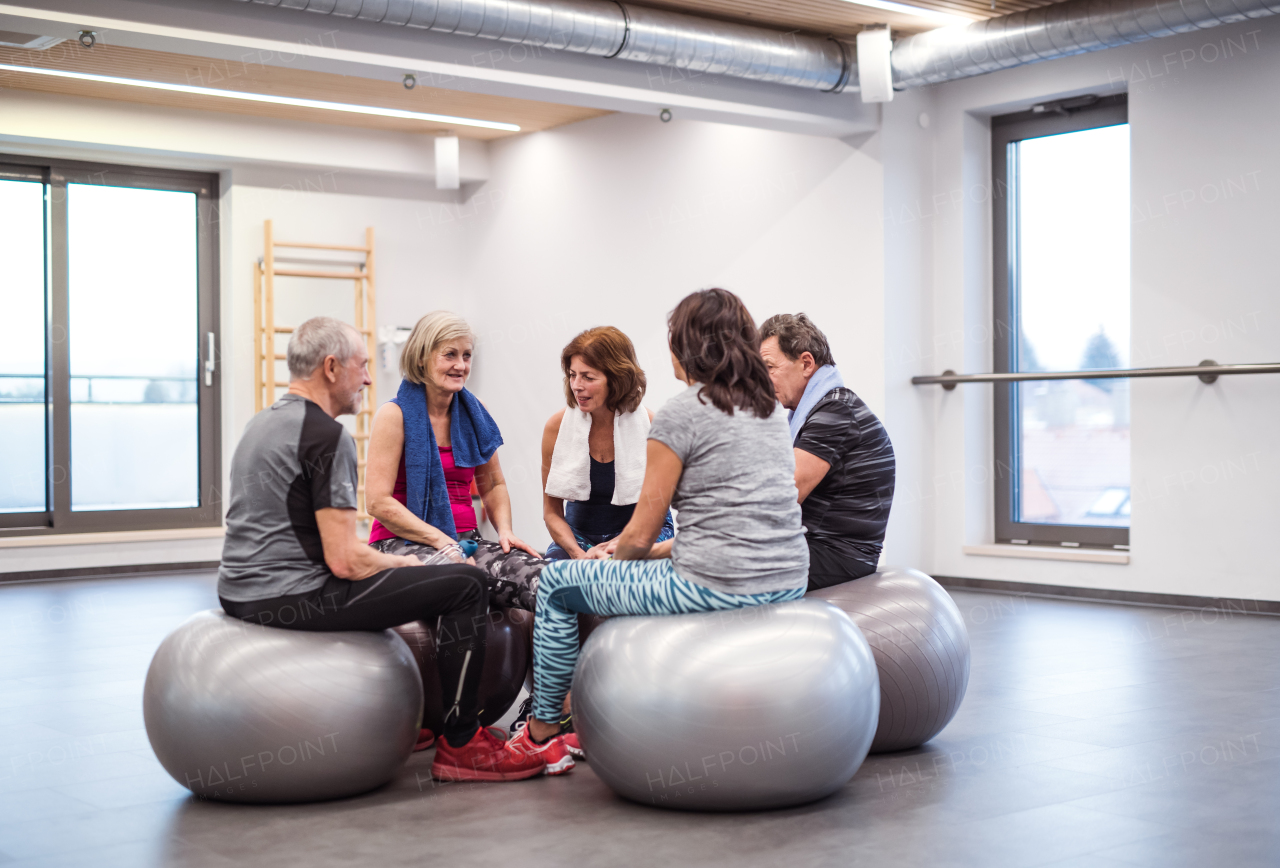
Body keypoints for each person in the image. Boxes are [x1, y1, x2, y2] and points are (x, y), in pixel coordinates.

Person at [217, 316, 545, 782]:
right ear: (331, 368)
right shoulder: (326, 438)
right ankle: (463, 744)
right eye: (362, 366)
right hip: (290, 597)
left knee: (458, 576)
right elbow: (345, 560)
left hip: (238, 592)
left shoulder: (262, 423)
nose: (369, 378)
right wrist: (406, 562)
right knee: (466, 585)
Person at [510, 288, 810, 755]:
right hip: (790, 579)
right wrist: (641, 552)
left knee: (555, 587)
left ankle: (543, 732)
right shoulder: (769, 409)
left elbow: (644, 530)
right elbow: (716, 528)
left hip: (712, 587)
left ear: (688, 346)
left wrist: (612, 558)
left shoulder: (681, 412)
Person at [366, 311, 547, 614]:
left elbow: (493, 483)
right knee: (464, 577)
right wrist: (442, 542)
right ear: (422, 357)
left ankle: (543, 663)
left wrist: (504, 530)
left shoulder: (476, 413)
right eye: (450, 355)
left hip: (467, 540)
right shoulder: (393, 416)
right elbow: (377, 502)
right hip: (401, 542)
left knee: (546, 579)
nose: (461, 365)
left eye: (467, 355)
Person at [758, 313, 895, 591]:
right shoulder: (820, 410)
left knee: (720, 565)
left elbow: (784, 496)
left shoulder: (835, 411)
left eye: (769, 367)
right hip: (821, 546)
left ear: (806, 363)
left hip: (837, 554)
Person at [540, 326, 675, 560]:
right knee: (554, 580)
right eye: (573, 375)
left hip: (642, 532)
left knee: (619, 579)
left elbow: (657, 512)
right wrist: (578, 554)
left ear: (617, 379)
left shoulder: (653, 427)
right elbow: (551, 512)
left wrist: (613, 548)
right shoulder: (556, 427)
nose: (577, 385)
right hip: (578, 537)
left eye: (588, 377)